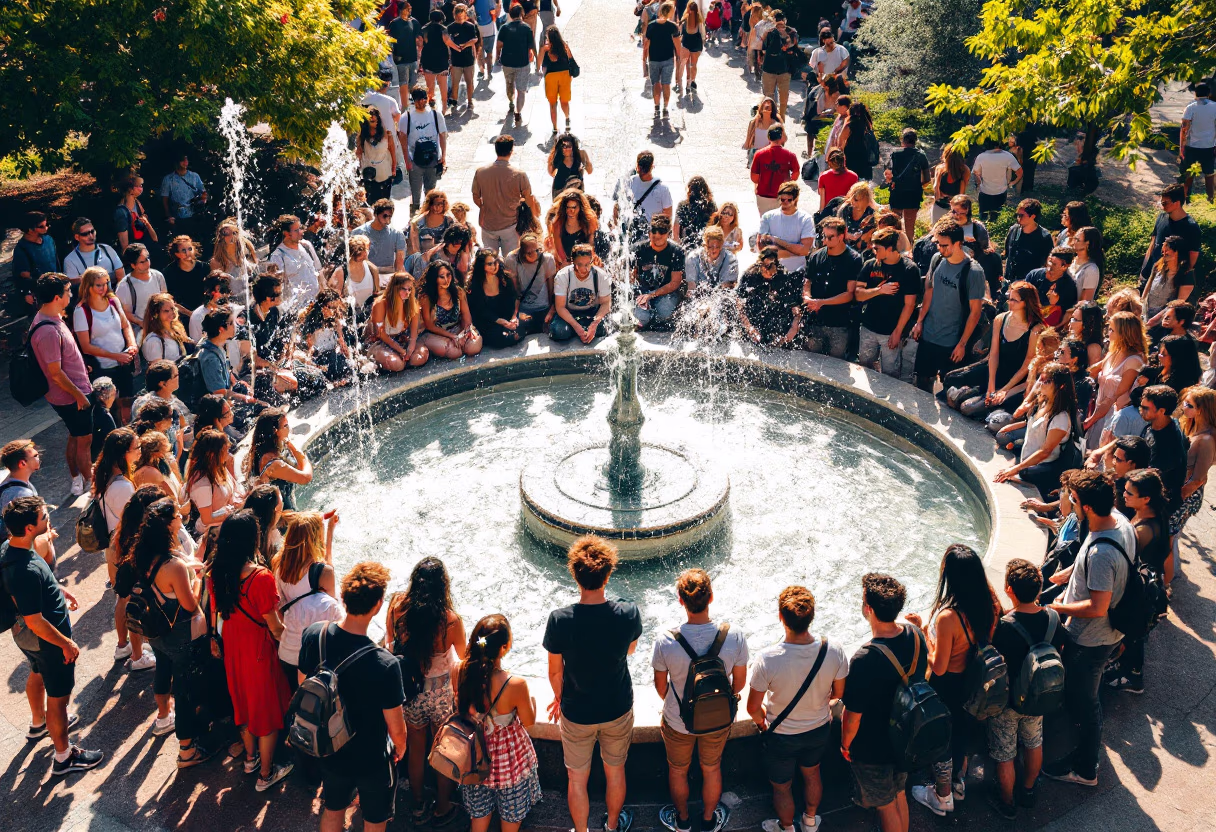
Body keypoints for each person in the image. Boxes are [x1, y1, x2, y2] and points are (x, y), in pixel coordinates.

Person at [297, 561, 406, 832]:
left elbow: (302, 686)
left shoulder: (315, 636)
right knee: (374, 820)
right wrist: (399, 750)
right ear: (378, 605)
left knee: (333, 809)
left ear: (343, 598)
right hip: (370, 757)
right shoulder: (385, 664)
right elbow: (397, 730)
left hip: (329, 747)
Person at [544, 536, 643, 832]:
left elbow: (554, 672)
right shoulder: (628, 613)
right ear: (608, 573)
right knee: (615, 773)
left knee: (577, 779)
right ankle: (612, 826)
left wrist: (560, 698)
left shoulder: (560, 620)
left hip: (577, 712)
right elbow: (631, 649)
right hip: (617, 707)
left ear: (575, 575)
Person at [1044, 470, 1135, 787]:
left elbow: (1098, 606)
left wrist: (1058, 608)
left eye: (1072, 499)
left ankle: (1085, 768)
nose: (1069, 501)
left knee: (1086, 700)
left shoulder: (1101, 554)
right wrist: (1069, 573)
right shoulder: (1119, 523)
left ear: (1085, 505)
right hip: (1104, 634)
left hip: (1092, 639)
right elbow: (1093, 556)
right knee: (1081, 694)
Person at [1, 497, 102, 776]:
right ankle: (64, 757)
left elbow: (32, 592)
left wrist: (57, 589)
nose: (48, 520)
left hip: (26, 638)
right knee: (58, 698)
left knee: (36, 672)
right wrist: (66, 643)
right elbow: (36, 621)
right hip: (45, 639)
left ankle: (38, 724)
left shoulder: (11, 549)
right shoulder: (25, 571)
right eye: (44, 517)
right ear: (30, 527)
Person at [905, 546, 1001, 818]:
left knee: (943, 741)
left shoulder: (949, 617)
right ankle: (958, 782)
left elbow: (938, 665)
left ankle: (942, 796)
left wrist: (923, 631)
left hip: (947, 685)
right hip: (972, 683)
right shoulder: (990, 605)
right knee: (961, 733)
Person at [653, 570, 747, 832]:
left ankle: (682, 821)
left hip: (677, 721)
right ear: (711, 597)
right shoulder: (734, 635)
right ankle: (708, 821)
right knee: (711, 768)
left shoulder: (666, 640)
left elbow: (661, 688)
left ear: (681, 601)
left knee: (678, 770)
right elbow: (738, 685)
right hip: (718, 720)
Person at [748, 585, 847, 832]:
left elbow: (752, 708)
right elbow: (838, 694)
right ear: (812, 616)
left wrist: (763, 724)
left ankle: (786, 827)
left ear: (781, 617)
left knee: (782, 786)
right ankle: (810, 821)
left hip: (781, 736)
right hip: (818, 729)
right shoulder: (832, 650)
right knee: (813, 774)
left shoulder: (767, 659)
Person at [126, 497, 216, 766]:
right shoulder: (173, 566)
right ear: (168, 526)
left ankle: (164, 716)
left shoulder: (142, 554)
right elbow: (189, 605)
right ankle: (187, 750)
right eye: (177, 515)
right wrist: (197, 580)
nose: (182, 516)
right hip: (178, 634)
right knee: (185, 689)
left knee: (163, 669)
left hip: (154, 630)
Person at [384, 557, 466, 826]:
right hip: (441, 695)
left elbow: (390, 644)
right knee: (443, 752)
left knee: (416, 750)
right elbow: (465, 658)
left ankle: (418, 805)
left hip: (411, 690)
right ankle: (443, 807)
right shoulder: (451, 622)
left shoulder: (397, 608)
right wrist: (485, 638)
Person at [986, 559, 1069, 817]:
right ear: (1039, 586)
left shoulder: (1004, 626)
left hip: (1008, 702)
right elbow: (1062, 649)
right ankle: (1029, 790)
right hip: (1039, 697)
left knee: (1005, 754)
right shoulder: (1054, 619)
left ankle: (1008, 803)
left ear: (1009, 589)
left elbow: (993, 661)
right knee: (1034, 743)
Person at [840, 573, 922, 832]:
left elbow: (852, 716)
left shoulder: (864, 659)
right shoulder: (916, 635)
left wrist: (845, 744)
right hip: (906, 736)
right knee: (899, 794)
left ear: (869, 609)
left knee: (885, 805)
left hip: (874, 748)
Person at [455, 615, 543, 832]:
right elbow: (529, 722)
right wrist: (531, 701)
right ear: (504, 647)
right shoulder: (515, 684)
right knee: (510, 822)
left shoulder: (460, 671)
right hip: (509, 761)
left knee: (478, 820)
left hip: (475, 757)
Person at [29, 274, 95, 495]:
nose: (71, 294)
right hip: (70, 395)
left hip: (74, 390)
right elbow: (55, 373)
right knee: (84, 441)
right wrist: (79, 395)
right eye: (68, 291)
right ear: (57, 297)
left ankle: (77, 477)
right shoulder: (48, 330)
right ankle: (93, 486)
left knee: (75, 435)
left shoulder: (53, 316)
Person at [945, 280, 1044, 419]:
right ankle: (975, 393)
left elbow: (1027, 365)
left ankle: (986, 405)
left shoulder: (1035, 329)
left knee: (969, 408)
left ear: (1026, 303)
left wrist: (1004, 390)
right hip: (995, 369)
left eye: (1014, 300)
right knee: (951, 379)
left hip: (1015, 378)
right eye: (1009, 298)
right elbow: (994, 354)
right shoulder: (1000, 319)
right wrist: (991, 385)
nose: (1009, 302)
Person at [911, 218, 987, 393]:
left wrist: (962, 344)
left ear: (958, 243)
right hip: (928, 334)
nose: (940, 248)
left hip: (952, 341)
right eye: (938, 243)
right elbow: (929, 290)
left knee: (948, 389)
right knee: (921, 383)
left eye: (945, 245)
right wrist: (920, 321)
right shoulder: (937, 259)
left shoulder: (974, 271)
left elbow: (975, 313)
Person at [274, 510, 343, 687]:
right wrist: (329, 536)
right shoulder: (322, 572)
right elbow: (331, 605)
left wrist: (329, 532)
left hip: (288, 651)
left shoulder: (279, 566)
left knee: (298, 703)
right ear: (314, 538)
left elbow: (279, 608)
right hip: (315, 653)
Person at [72, 266, 139, 421]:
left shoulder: (113, 301)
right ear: (88, 286)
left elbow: (125, 325)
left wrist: (132, 343)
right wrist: (116, 356)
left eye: (106, 283)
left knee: (128, 401)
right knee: (110, 408)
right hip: (103, 367)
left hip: (123, 362)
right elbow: (86, 346)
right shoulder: (81, 311)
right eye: (99, 285)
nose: (103, 288)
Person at [856, 228, 920, 381]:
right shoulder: (870, 265)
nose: (873, 250)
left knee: (890, 375)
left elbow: (909, 305)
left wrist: (898, 331)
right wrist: (879, 290)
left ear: (890, 249)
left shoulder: (909, 269)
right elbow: (858, 294)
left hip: (891, 332)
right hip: (868, 327)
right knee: (864, 368)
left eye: (877, 248)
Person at [1084, 312, 1147, 448]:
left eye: (1112, 330)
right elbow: (1091, 370)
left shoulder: (1134, 361)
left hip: (1115, 417)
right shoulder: (1113, 352)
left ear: (1124, 333)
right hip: (1099, 412)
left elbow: (1115, 396)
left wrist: (1091, 420)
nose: (1108, 332)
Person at [801, 216, 860, 358]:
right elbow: (807, 281)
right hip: (815, 321)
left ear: (841, 236)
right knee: (812, 360)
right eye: (823, 236)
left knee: (836, 364)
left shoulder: (853, 259)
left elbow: (850, 293)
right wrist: (807, 297)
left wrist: (821, 303)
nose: (825, 240)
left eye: (830, 237)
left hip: (839, 322)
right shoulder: (816, 256)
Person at [472, 135, 540, 256]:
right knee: (511, 262)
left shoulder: (481, 172)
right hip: (511, 225)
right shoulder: (519, 175)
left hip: (488, 224)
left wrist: (484, 207)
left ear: (496, 149)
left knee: (489, 260)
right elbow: (528, 199)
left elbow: (476, 197)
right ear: (511, 151)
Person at [1139, 184, 1201, 285]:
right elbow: (1152, 245)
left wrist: (1179, 282)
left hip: (1169, 281)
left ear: (1177, 203)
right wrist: (1143, 271)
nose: (1162, 206)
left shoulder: (1191, 227)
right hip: (1151, 275)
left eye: (1165, 203)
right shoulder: (1161, 217)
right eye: (1161, 202)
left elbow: (1192, 258)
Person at [368, 270, 431, 371]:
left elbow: (414, 334)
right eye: (404, 289)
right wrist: (401, 350)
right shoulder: (381, 304)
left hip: (401, 340)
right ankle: (394, 362)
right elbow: (380, 334)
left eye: (409, 289)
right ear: (394, 288)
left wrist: (410, 349)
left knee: (420, 357)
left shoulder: (411, 303)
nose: (407, 293)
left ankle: (403, 361)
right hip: (381, 343)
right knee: (395, 364)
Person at [400, 88, 449, 215]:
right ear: (414, 101)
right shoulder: (407, 117)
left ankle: (430, 215)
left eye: (424, 99)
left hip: (433, 159)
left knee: (431, 192)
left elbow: (443, 135)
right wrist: (407, 160)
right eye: (419, 100)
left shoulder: (436, 115)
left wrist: (443, 156)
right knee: (415, 192)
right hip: (415, 160)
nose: (422, 102)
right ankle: (415, 214)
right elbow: (403, 139)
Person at [420, 260, 483, 358]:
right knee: (455, 352)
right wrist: (453, 337)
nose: (446, 280)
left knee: (472, 348)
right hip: (436, 334)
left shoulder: (458, 292)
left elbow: (467, 319)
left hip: (457, 329)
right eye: (441, 276)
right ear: (434, 278)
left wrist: (464, 334)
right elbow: (429, 326)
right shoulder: (426, 298)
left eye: (448, 275)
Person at [632, 215, 684, 330]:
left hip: (666, 293)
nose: (656, 240)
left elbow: (675, 282)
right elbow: (631, 276)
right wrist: (639, 295)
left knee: (665, 313)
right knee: (641, 318)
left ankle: (657, 320)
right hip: (644, 291)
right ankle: (646, 319)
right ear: (649, 233)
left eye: (661, 238)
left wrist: (652, 295)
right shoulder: (639, 249)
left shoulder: (676, 251)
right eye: (653, 237)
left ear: (668, 235)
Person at [614, 151, 675, 245]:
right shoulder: (662, 189)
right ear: (652, 167)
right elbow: (667, 216)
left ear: (637, 166)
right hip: (651, 236)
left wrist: (616, 227)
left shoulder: (627, 183)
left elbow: (616, 207)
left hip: (629, 233)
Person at [469, 248, 526, 347]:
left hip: (507, 317)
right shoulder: (475, 285)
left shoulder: (505, 278)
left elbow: (515, 298)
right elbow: (479, 311)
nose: (494, 266)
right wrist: (499, 321)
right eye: (489, 264)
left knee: (522, 324)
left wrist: (514, 317)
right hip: (489, 321)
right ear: (482, 266)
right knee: (495, 336)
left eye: (496, 262)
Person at [757, 181, 815, 277]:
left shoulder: (805, 219)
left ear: (796, 199)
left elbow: (805, 250)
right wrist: (795, 251)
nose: (785, 203)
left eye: (789, 200)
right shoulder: (767, 217)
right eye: (782, 199)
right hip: (771, 272)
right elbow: (762, 248)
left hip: (797, 271)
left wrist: (777, 241)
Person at [1141, 235, 1196, 336]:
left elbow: (1178, 303)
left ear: (1178, 252)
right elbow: (1147, 288)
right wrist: (1140, 305)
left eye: (1168, 251)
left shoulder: (1186, 275)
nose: (1164, 253)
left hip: (1164, 320)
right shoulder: (1158, 266)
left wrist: (1156, 319)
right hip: (1146, 312)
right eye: (1163, 251)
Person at [882, 128, 930, 240]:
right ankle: (909, 250)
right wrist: (916, 185)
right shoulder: (921, 156)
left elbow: (887, 173)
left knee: (895, 224)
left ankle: (894, 246)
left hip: (897, 192)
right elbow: (927, 179)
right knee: (910, 226)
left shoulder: (895, 154)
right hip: (913, 194)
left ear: (903, 140)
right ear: (915, 141)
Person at [116, 243, 168, 341]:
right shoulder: (124, 286)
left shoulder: (158, 276)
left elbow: (165, 300)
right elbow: (126, 313)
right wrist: (144, 324)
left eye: (147, 259)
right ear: (133, 265)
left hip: (163, 324)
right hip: (140, 329)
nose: (147, 263)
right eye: (142, 262)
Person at [496, 4, 536, 126]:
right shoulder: (527, 28)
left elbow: (499, 45)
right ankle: (518, 113)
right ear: (521, 14)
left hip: (507, 62)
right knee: (521, 90)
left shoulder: (504, 28)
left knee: (509, 85)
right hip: (523, 63)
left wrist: (498, 56)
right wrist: (534, 58)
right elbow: (531, 46)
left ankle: (511, 101)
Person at [11, 212, 58, 316]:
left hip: (57, 288)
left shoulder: (49, 240)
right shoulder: (22, 250)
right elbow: (24, 277)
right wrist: (27, 292)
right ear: (29, 230)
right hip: (39, 294)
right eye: (41, 227)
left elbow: (56, 262)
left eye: (46, 225)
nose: (46, 228)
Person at [160, 152, 209, 246]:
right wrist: (168, 216)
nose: (185, 162)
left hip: (193, 214)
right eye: (182, 160)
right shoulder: (169, 179)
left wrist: (201, 203)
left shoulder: (194, 176)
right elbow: (165, 199)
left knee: (194, 242)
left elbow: (203, 193)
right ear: (177, 162)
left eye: (186, 160)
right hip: (177, 215)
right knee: (179, 243)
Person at [749, 124, 800, 216]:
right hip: (783, 196)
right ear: (782, 137)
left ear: (769, 137)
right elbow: (795, 174)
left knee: (765, 221)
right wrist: (788, 183)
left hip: (763, 195)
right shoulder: (790, 155)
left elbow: (754, 177)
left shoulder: (759, 154)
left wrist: (762, 182)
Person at [1179, 82, 1216, 203]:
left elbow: (1184, 129)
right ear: (1209, 93)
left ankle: (1186, 198)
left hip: (1192, 146)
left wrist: (1181, 148)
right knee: (1209, 173)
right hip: (1209, 146)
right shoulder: (1215, 107)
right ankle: (1211, 199)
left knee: (1189, 173)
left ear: (1195, 93)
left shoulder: (1191, 107)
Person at [63, 217, 124, 289]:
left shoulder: (107, 249)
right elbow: (73, 287)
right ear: (77, 237)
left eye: (92, 231)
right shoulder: (70, 260)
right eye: (85, 234)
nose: (91, 236)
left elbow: (121, 277)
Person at [1004, 198, 1054, 284]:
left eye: (1021, 215)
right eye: (1017, 215)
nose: (1018, 218)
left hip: (1029, 283)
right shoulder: (1013, 230)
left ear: (1033, 216)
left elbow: (1046, 264)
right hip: (1009, 280)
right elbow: (1007, 253)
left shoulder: (1044, 237)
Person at [758, 11, 797, 121]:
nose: (780, 23)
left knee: (783, 99)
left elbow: (793, 44)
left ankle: (781, 121)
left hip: (785, 70)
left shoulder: (791, 32)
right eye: (777, 20)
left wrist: (784, 34)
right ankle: (770, 119)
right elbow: (762, 46)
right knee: (769, 97)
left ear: (785, 20)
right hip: (769, 69)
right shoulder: (769, 32)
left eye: (781, 20)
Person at [355, 109, 400, 205]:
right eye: (371, 121)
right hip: (368, 170)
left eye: (375, 121)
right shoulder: (363, 135)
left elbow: (392, 152)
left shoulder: (387, 134)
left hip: (384, 170)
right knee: (370, 201)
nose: (374, 123)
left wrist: (394, 168)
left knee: (384, 201)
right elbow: (359, 154)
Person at [644, 2, 680, 117]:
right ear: (670, 12)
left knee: (656, 84)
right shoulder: (673, 26)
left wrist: (644, 57)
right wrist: (678, 56)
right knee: (666, 84)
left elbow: (646, 43)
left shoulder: (651, 25)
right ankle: (665, 107)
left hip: (654, 58)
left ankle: (656, 107)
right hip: (668, 59)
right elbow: (677, 43)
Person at [210, 219, 259, 305]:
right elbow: (219, 290)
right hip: (234, 302)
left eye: (234, 233)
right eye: (226, 233)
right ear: (221, 236)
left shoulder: (247, 249)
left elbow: (257, 266)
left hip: (252, 297)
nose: (232, 236)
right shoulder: (217, 261)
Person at [972, 139, 1023, 221]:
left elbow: (976, 173)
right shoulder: (1007, 156)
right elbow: (1020, 172)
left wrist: (978, 183)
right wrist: (1012, 183)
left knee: (982, 219)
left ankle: (983, 232)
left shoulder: (981, 156)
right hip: (1000, 192)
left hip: (985, 192)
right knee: (996, 218)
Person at [539, 25, 575, 133]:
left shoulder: (546, 48)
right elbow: (571, 59)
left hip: (551, 76)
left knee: (552, 104)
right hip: (565, 75)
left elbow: (539, 63)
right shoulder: (564, 46)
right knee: (564, 101)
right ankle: (567, 118)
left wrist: (542, 50)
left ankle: (554, 127)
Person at [445, 4, 480, 112]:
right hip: (456, 61)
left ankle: (470, 102)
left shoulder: (470, 26)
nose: (459, 19)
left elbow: (475, 39)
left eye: (461, 17)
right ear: (454, 15)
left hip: (468, 59)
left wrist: (465, 45)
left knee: (470, 82)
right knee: (455, 83)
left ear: (465, 15)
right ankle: (455, 102)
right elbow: (447, 42)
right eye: (457, 17)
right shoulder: (450, 27)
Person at [389, 0, 424, 105]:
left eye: (410, 8)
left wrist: (420, 48)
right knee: (403, 83)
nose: (409, 10)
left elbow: (419, 37)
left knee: (413, 83)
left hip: (413, 57)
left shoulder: (414, 22)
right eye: (407, 8)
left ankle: (413, 103)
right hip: (401, 58)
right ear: (401, 10)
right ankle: (405, 107)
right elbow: (391, 40)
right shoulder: (394, 23)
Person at [113, 175, 158, 256]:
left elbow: (154, 238)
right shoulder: (121, 212)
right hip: (134, 254)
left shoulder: (137, 203)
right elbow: (125, 246)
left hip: (143, 249)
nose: (141, 188)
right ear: (130, 189)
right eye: (138, 186)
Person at [420, 9, 452, 113]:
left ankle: (431, 107)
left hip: (428, 59)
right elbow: (447, 43)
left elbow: (422, 44)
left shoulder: (424, 29)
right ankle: (444, 108)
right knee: (443, 87)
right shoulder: (444, 29)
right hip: (441, 60)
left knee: (430, 87)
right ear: (441, 18)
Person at [673, 176, 717, 251]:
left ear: (690, 190)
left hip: (686, 245)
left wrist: (679, 247)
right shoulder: (711, 206)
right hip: (705, 246)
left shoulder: (683, 205)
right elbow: (716, 227)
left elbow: (676, 229)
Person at [548, 133, 594, 200]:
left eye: (569, 146)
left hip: (576, 191)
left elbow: (590, 171)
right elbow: (551, 173)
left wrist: (585, 160)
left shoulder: (579, 155)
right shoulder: (557, 157)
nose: (567, 149)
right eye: (564, 146)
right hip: (560, 191)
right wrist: (552, 156)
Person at [838, 100, 875, 183]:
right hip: (864, 155)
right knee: (863, 181)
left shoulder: (849, 125)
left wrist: (840, 154)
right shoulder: (867, 124)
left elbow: (840, 141)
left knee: (851, 180)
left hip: (851, 155)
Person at [676, 2, 707, 94]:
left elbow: (679, 32)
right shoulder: (699, 21)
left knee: (686, 64)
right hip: (696, 44)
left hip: (686, 43)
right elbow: (703, 35)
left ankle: (685, 82)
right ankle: (691, 81)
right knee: (693, 65)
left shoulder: (684, 20)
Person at [1068, 226, 1104, 303]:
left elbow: (1084, 302)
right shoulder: (1070, 261)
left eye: (1077, 240)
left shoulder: (1091, 270)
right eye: (1074, 238)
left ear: (1087, 244)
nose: (1073, 242)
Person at [743, 96, 777, 166]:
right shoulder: (753, 123)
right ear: (761, 108)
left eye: (770, 103)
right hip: (755, 153)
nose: (767, 104)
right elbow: (747, 142)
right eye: (765, 103)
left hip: (769, 154)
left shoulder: (775, 124)